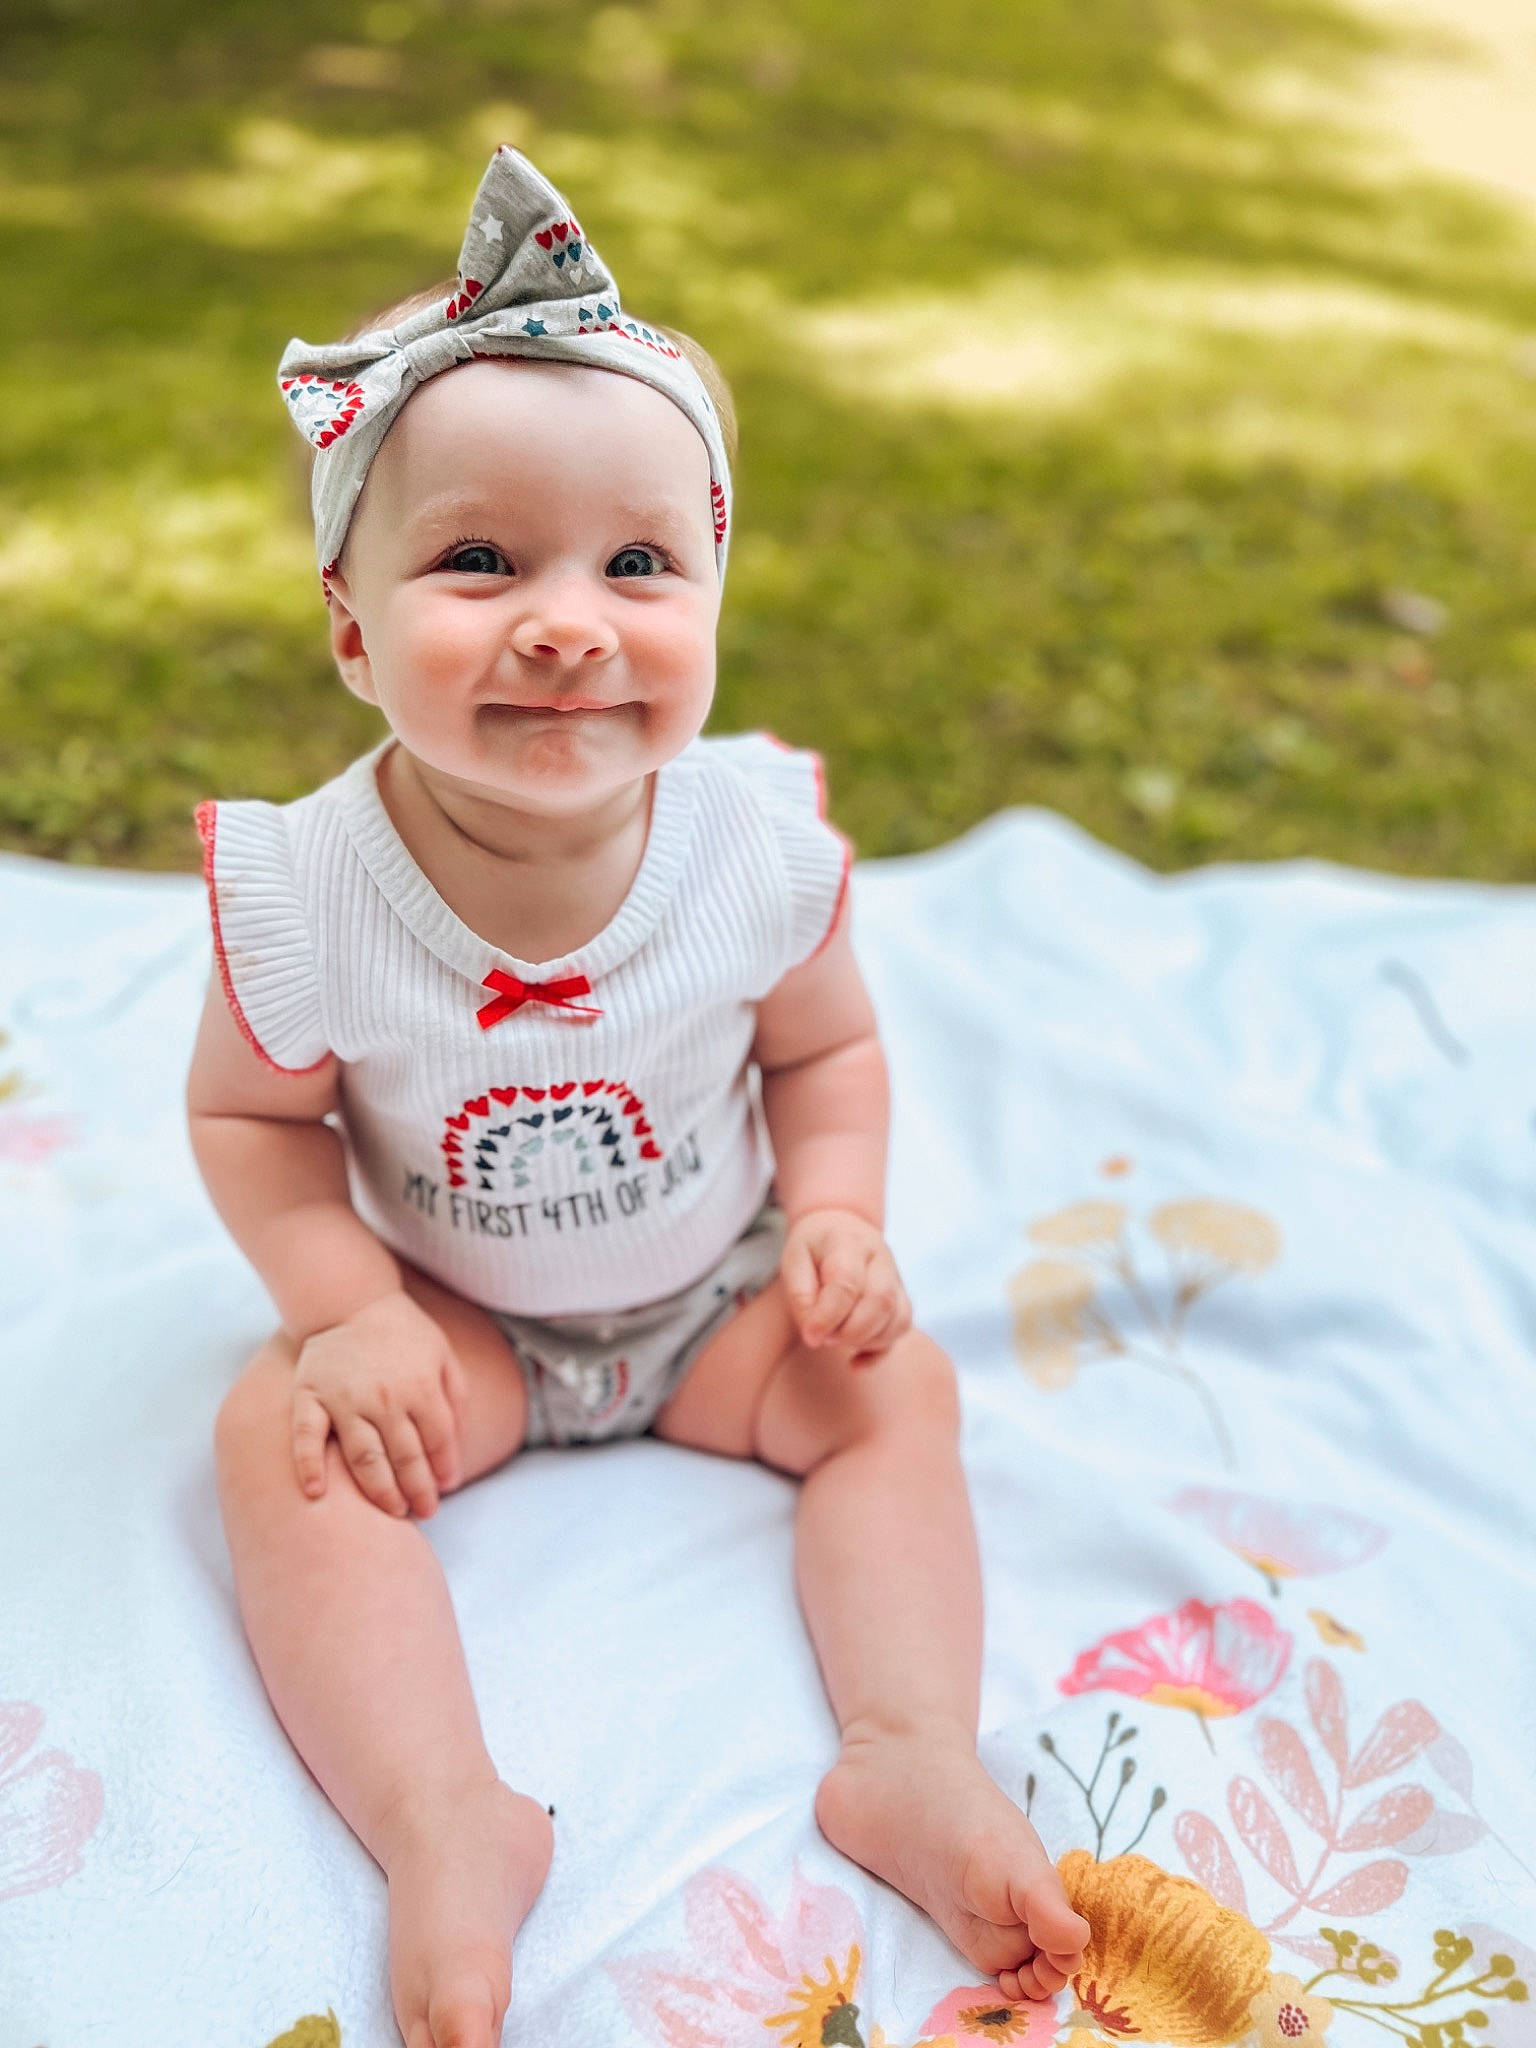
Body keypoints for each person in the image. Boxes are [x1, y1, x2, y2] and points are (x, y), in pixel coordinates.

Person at [186, 145, 1090, 2048]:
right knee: (288, 1451)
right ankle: (449, 1826)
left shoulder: (751, 851)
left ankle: (908, 1750)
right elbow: (256, 1129)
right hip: (462, 1325)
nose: (569, 620)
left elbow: (823, 1053)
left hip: (708, 1303)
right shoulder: (311, 893)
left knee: (893, 1391)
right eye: (480, 561)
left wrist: (834, 1214)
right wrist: (350, 1318)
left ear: (714, 601)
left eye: (640, 564)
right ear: (351, 630)